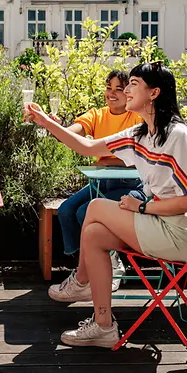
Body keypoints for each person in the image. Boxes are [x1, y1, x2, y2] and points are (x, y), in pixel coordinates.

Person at [25, 61, 187, 348]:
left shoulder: (177, 135)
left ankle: (81, 282)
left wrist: (143, 208)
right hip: (160, 223)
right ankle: (103, 325)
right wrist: (46, 122)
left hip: (184, 232)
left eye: (134, 83)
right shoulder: (140, 135)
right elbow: (86, 147)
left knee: (96, 207)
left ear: (154, 93)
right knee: (94, 235)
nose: (127, 88)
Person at [56, 69, 144, 293]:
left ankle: (112, 262)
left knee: (83, 213)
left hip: (131, 185)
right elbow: (74, 131)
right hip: (100, 183)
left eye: (119, 89)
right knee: (66, 211)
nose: (112, 93)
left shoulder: (136, 117)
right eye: (109, 88)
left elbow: (135, 162)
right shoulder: (97, 115)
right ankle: (86, 267)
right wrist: (58, 128)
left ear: (129, 93)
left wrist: (107, 162)